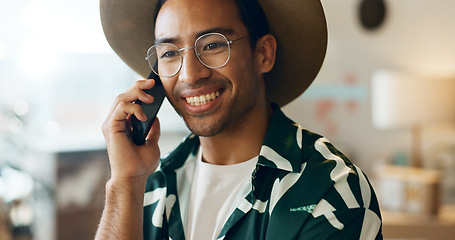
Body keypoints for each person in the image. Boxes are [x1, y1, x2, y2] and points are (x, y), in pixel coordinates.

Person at [96, 0, 383, 239]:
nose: (189, 75)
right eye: (170, 53)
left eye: (212, 45)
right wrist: (125, 182)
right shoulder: (149, 187)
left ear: (263, 54)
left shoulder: (330, 190)